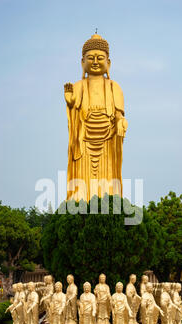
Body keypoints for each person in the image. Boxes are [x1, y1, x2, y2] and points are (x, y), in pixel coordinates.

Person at [64, 33, 128, 202]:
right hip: (84, 138)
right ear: (82, 62)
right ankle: (79, 203)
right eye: (90, 58)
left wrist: (121, 122)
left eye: (100, 58)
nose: (95, 62)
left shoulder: (114, 86)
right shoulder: (78, 86)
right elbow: (74, 113)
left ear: (108, 62)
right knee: (83, 182)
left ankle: (109, 204)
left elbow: (119, 114)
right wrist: (70, 103)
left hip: (108, 138)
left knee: (107, 179)